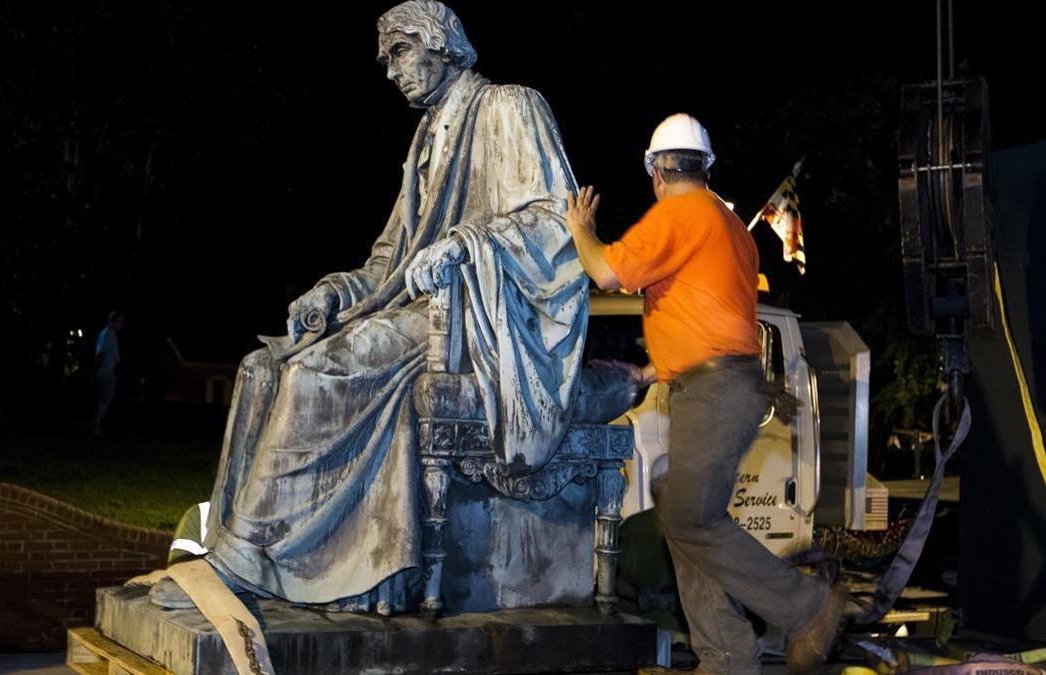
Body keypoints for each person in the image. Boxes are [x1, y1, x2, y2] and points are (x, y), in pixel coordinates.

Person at [147, 0, 587, 613]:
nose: (390, 70)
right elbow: (388, 264)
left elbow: (554, 225)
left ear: (440, 44)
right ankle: (258, 548)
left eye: (400, 52)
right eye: (386, 59)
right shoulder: (426, 142)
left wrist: (466, 245)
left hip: (480, 319)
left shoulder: (510, 106)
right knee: (262, 368)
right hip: (420, 307)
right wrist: (335, 292)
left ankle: (254, 557)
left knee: (317, 372)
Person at [564, 113, 849, 674]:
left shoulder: (680, 212)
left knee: (692, 518)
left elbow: (606, 272)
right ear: (706, 165)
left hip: (713, 391)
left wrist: (580, 229)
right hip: (722, 385)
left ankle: (808, 607)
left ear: (657, 171)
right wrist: (654, 370)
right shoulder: (729, 227)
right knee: (681, 509)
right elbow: (714, 316)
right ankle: (726, 656)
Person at [92, 310, 125, 436]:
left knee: (105, 398)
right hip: (106, 371)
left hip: (106, 370)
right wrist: (95, 370)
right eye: (120, 321)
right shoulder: (109, 334)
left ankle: (98, 424)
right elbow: (102, 353)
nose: (122, 324)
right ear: (114, 321)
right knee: (106, 399)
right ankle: (97, 425)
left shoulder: (106, 333)